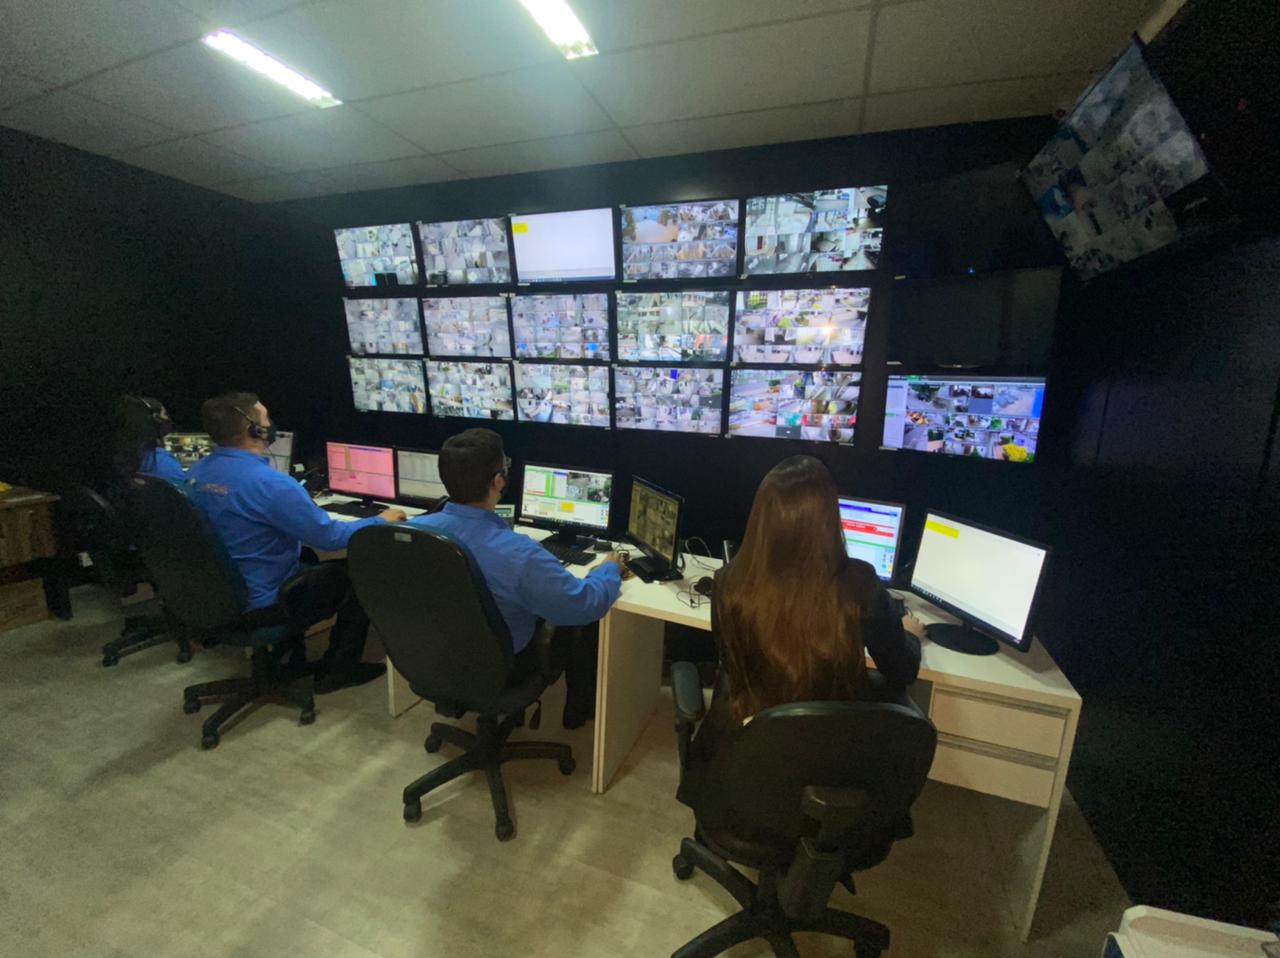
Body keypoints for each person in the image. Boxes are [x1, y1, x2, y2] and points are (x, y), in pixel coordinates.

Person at [679, 455, 925, 806]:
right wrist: (910, 634)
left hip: (748, 749)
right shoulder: (861, 583)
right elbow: (901, 670)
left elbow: (730, 662)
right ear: (830, 519)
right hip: (833, 754)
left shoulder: (728, 583)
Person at [187, 392, 406, 693]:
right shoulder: (271, 484)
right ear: (255, 430)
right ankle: (338, 670)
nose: (270, 424)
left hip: (212, 595)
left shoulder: (196, 473)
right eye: (266, 418)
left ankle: (288, 655)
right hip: (261, 603)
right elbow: (330, 538)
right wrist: (382, 520)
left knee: (308, 558)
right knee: (362, 573)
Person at [408, 428, 624, 728]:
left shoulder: (414, 533)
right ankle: (578, 711)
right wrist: (609, 570)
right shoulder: (519, 553)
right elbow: (586, 604)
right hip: (503, 668)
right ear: (499, 480)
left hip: (430, 658)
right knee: (582, 625)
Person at [112, 395, 185, 484]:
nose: (167, 418)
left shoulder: (115, 457)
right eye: (165, 414)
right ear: (156, 420)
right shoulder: (163, 462)